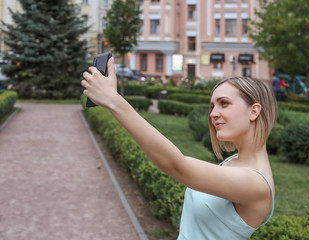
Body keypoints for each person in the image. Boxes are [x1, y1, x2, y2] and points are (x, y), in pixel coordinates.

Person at [81, 57, 277, 240]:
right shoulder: (234, 161)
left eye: (224, 103)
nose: (213, 114)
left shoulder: (256, 184)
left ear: (254, 111)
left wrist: (114, 101)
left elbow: (175, 165)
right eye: (212, 106)